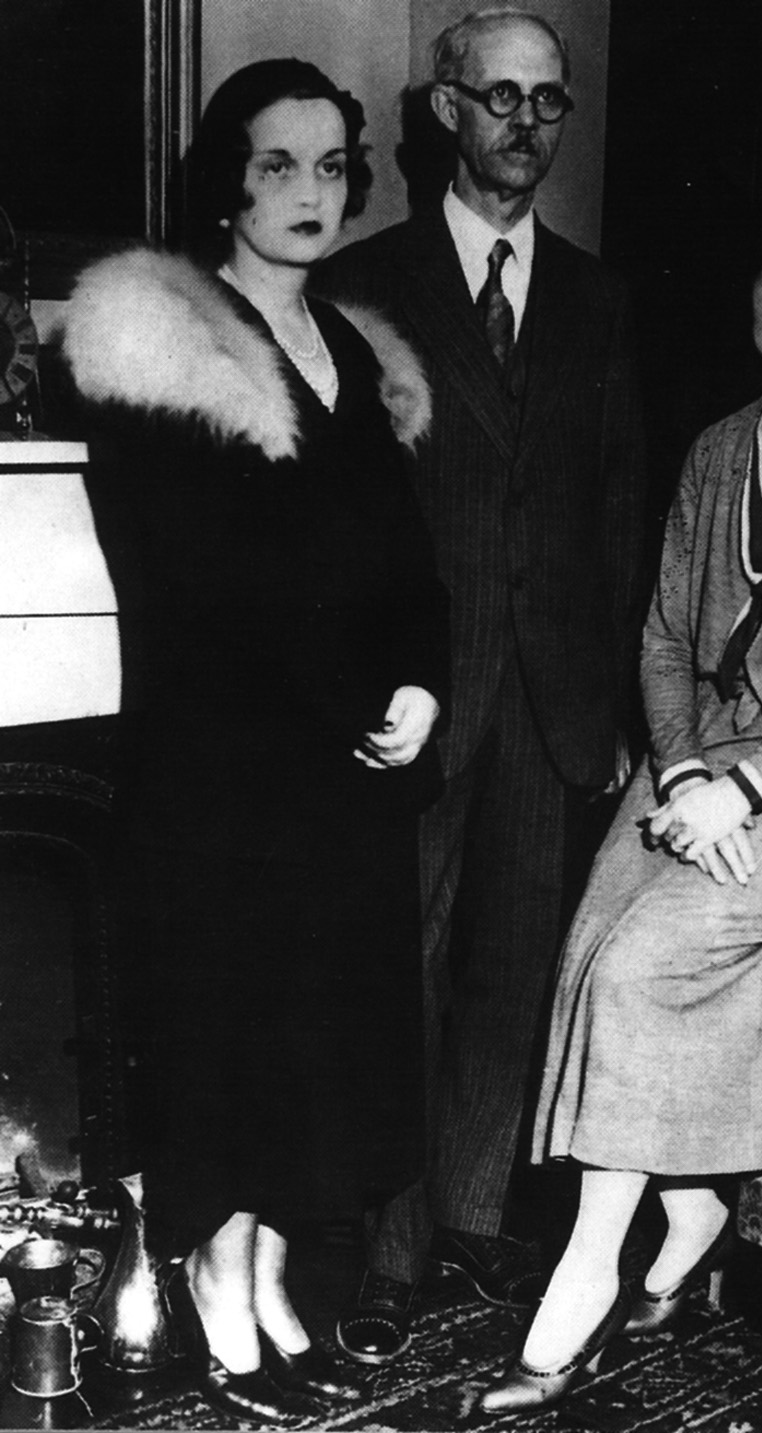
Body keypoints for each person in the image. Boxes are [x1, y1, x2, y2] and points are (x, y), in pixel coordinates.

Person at [476, 176, 762, 1415]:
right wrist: (683, 770)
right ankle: (693, 1215)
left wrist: (743, 788)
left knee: (641, 968)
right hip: (694, 766)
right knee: (590, 947)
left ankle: (584, 1281)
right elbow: (661, 639)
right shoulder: (717, 446)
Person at [58, 59, 448, 1426]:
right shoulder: (154, 334)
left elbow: (407, 567)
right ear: (227, 178)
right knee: (232, 1034)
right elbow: (189, 582)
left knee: (316, 1041)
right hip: (223, 771)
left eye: (332, 165)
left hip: (342, 771)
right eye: (277, 163)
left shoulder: (359, 350)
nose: (309, 192)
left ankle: (274, 1281)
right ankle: (220, 1289)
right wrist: (341, 700)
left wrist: (420, 685)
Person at [314, 8, 647, 1363]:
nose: (525, 122)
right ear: (445, 109)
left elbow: (618, 507)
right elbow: (339, 514)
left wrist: (613, 703)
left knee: (514, 972)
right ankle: (392, 1251)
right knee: (402, 961)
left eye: (546, 99)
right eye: (498, 96)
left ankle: (466, 1214)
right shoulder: (363, 282)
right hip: (418, 694)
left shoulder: (599, 297)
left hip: (555, 696)